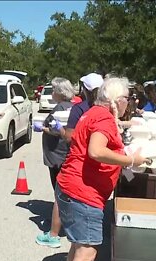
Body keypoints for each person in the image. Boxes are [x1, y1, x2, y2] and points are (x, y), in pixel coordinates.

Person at [56, 77, 148, 261]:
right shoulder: (103, 117)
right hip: (83, 193)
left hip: (70, 187)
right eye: (127, 98)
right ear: (118, 100)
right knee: (87, 253)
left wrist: (124, 127)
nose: (128, 102)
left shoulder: (94, 113)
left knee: (78, 247)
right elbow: (96, 151)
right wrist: (131, 161)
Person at [35, 73, 103, 248]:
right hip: (77, 155)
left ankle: (54, 234)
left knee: (60, 193)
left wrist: (45, 128)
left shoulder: (74, 108)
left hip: (60, 156)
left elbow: (67, 135)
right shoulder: (94, 108)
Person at [34, 77, 75, 248]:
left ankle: (56, 230)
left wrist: (40, 127)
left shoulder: (59, 109)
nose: (51, 93)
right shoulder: (73, 107)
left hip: (57, 156)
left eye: (53, 90)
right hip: (64, 154)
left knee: (59, 192)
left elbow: (56, 130)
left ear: (59, 92)